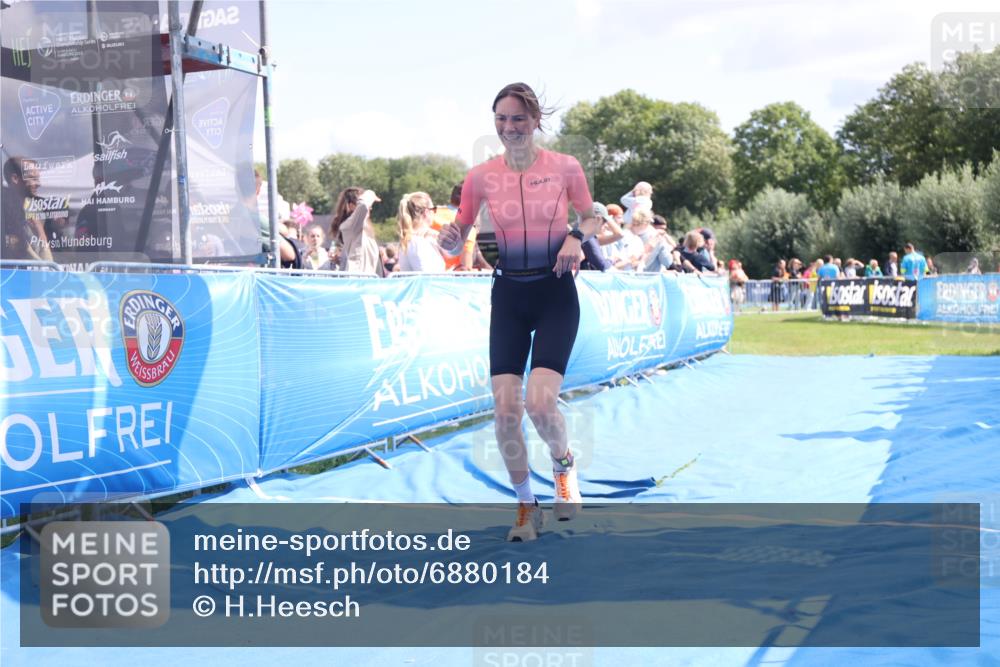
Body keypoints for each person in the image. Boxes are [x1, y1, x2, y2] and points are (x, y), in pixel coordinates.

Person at [437, 82, 598, 542]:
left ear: (535, 121)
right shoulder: (480, 176)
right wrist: (450, 239)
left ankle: (564, 467)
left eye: (518, 119)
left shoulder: (566, 167)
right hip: (508, 294)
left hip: (554, 293)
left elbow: (592, 216)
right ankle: (527, 507)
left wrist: (574, 238)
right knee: (506, 410)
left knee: (540, 402)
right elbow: (460, 228)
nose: (510, 128)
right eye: (501, 120)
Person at [2, 157, 52, 261]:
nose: (38, 184)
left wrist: (40, 230)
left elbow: (45, 260)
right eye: (33, 179)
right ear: (15, 179)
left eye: (37, 179)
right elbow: (27, 252)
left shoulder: (36, 210)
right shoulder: (3, 211)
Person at [329, 187, 384, 276]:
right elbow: (363, 205)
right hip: (360, 282)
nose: (370, 208)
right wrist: (370, 193)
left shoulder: (359, 227)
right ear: (351, 206)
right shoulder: (351, 225)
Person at [396, 192, 446, 272]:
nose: (434, 213)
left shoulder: (412, 240)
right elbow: (427, 278)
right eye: (433, 209)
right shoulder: (417, 242)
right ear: (426, 212)